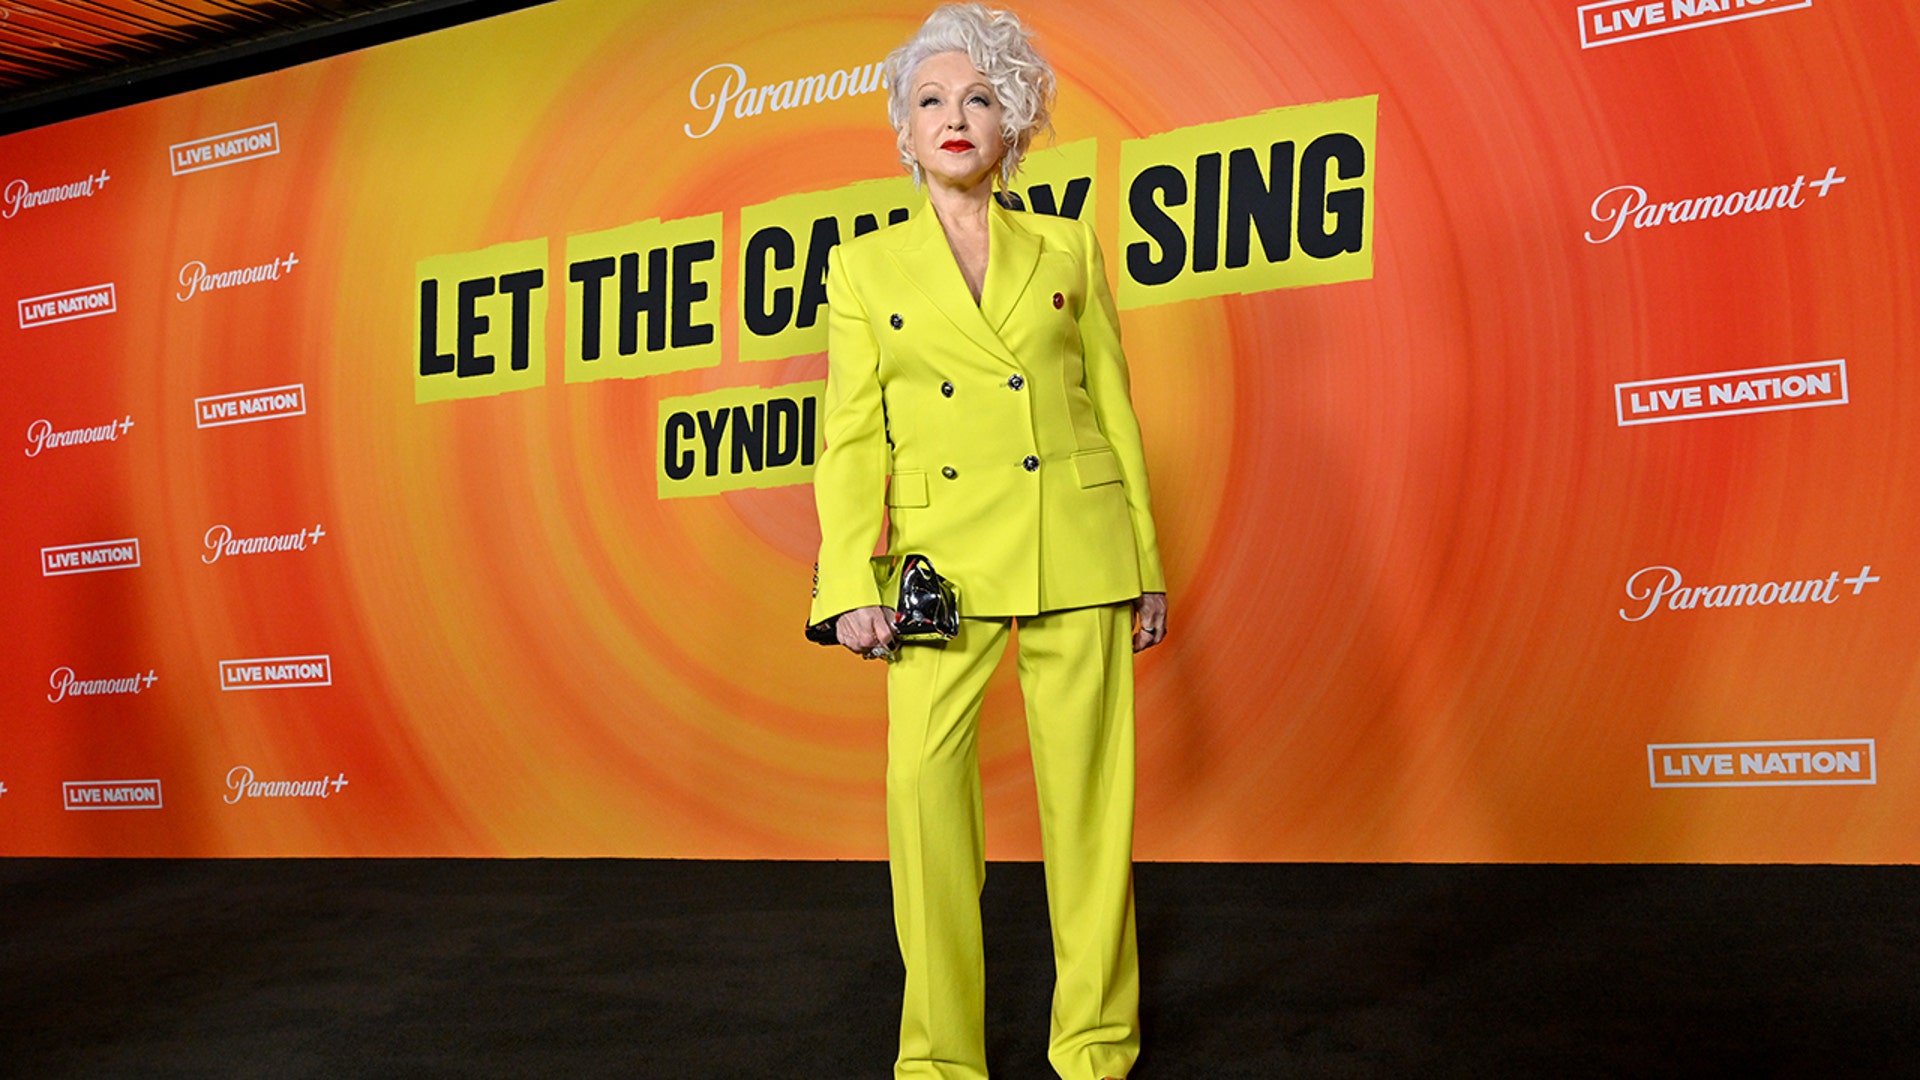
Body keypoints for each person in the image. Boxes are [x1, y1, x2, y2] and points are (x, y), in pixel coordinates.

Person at [808, 5, 1166, 1078]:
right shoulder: (864, 269)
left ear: (1013, 124)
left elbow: (1113, 404)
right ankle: (940, 1058)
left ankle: (1097, 1046)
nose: (955, 117)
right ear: (903, 133)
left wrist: (1143, 562)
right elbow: (848, 439)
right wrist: (845, 582)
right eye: (931, 101)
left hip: (1079, 545)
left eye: (979, 98)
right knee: (925, 814)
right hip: (937, 572)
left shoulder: (1065, 243)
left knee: (1092, 820)